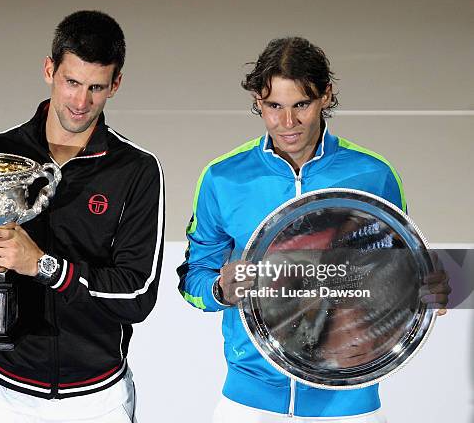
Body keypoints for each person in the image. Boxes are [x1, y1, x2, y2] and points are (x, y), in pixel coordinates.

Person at [177, 37, 448, 422]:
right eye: (274, 106)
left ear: (326, 95)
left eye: (301, 104)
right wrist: (220, 290)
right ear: (258, 101)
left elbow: (395, 276)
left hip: (348, 399)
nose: (287, 123)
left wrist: (427, 290)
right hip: (251, 395)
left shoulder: (373, 174)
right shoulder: (223, 178)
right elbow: (193, 279)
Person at [0, 10, 164, 423]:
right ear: (49, 70)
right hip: (4, 395)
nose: (81, 102)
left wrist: (43, 266)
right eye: (71, 82)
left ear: (115, 85)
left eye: (96, 88)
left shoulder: (136, 169)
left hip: (97, 400)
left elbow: (137, 295)